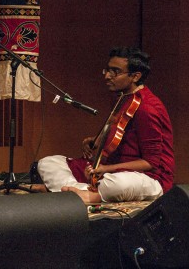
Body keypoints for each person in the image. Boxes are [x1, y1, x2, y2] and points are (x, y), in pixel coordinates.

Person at [37, 47, 174, 204]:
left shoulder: (147, 108)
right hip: (111, 168)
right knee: (49, 163)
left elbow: (150, 163)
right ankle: (83, 192)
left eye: (115, 72)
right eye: (107, 70)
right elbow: (118, 133)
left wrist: (106, 169)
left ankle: (77, 192)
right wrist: (94, 140)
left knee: (119, 183)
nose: (107, 76)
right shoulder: (121, 97)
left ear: (135, 76)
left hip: (148, 178)